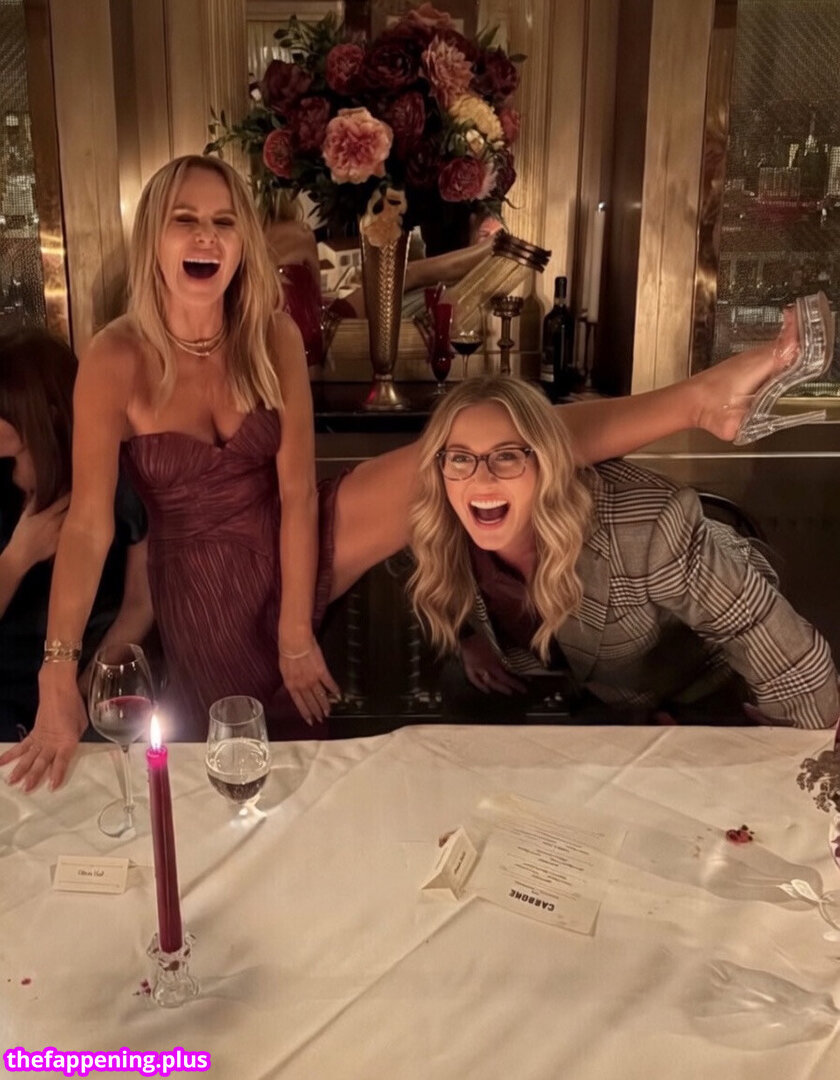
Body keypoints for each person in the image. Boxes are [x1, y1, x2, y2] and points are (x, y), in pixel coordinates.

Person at [0, 150, 810, 791]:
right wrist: (57, 674)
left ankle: (699, 401)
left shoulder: (270, 333)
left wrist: (295, 632)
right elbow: (90, 525)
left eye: (223, 221)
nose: (206, 237)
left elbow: (294, 493)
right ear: (154, 238)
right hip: (201, 585)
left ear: (243, 242)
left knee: (479, 441)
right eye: (185, 220)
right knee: (246, 762)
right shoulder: (115, 356)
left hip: (293, 536)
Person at [403, 375, 839, 729]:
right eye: (460, 458)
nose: (480, 480)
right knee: (461, 687)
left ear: (546, 463)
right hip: (597, 691)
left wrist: (791, 757)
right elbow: (420, 567)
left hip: (704, 689)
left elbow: (776, 648)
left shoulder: (646, 526)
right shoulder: (437, 520)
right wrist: (469, 638)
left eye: (507, 456)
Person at [0, 329, 152, 740]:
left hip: (93, 677)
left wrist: (81, 691)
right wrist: (16, 558)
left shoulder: (117, 480)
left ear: (46, 413)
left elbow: (140, 605)